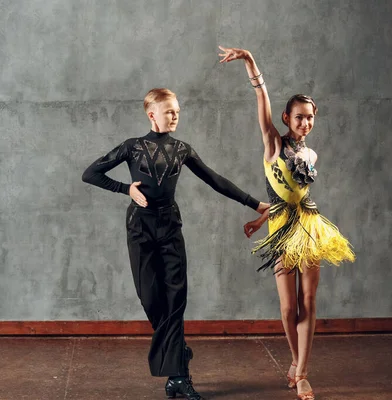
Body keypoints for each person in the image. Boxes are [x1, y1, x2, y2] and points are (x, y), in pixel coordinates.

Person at [82, 88, 269, 400]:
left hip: (170, 227)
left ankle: (179, 376)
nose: (175, 115)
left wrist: (255, 204)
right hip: (140, 228)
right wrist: (125, 188)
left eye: (177, 111)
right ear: (152, 114)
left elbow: (215, 179)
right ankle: (179, 349)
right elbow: (91, 173)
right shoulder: (132, 147)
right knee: (150, 298)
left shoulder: (182, 149)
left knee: (176, 299)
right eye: (169, 111)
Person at [219, 46, 355, 400]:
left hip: (310, 228)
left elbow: (296, 196)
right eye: (299, 117)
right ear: (285, 117)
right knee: (287, 307)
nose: (305, 123)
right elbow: (261, 103)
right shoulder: (273, 145)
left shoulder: (311, 154)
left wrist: (259, 216)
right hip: (281, 232)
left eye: (310, 117)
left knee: (309, 300)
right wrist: (250, 61)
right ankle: (295, 361)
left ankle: (304, 372)